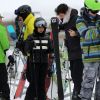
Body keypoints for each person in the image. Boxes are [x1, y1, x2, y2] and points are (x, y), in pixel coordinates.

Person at [55, 4, 84, 100]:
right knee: (74, 75)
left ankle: (78, 94)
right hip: (72, 52)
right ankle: (77, 93)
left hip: (79, 52)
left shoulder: (76, 18)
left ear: (65, 12)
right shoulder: (67, 20)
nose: (60, 17)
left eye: (61, 15)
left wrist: (76, 33)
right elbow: (63, 26)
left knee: (77, 75)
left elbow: (85, 32)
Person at [24, 17, 53, 100]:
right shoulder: (30, 37)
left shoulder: (47, 37)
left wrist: (52, 46)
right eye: (39, 28)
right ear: (36, 27)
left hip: (43, 63)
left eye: (42, 28)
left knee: (41, 83)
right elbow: (26, 50)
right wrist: (30, 45)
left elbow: (50, 50)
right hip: (33, 63)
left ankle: (42, 98)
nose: (41, 29)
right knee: (33, 83)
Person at [76, 0, 100, 100]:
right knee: (88, 82)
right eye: (93, 11)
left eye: (97, 11)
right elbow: (86, 34)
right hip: (90, 58)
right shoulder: (80, 21)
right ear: (86, 9)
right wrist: (98, 29)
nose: (95, 14)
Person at [0, 14, 10, 100]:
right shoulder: (1, 28)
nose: (1, 20)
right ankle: (5, 96)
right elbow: (5, 45)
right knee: (3, 79)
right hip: (0, 60)